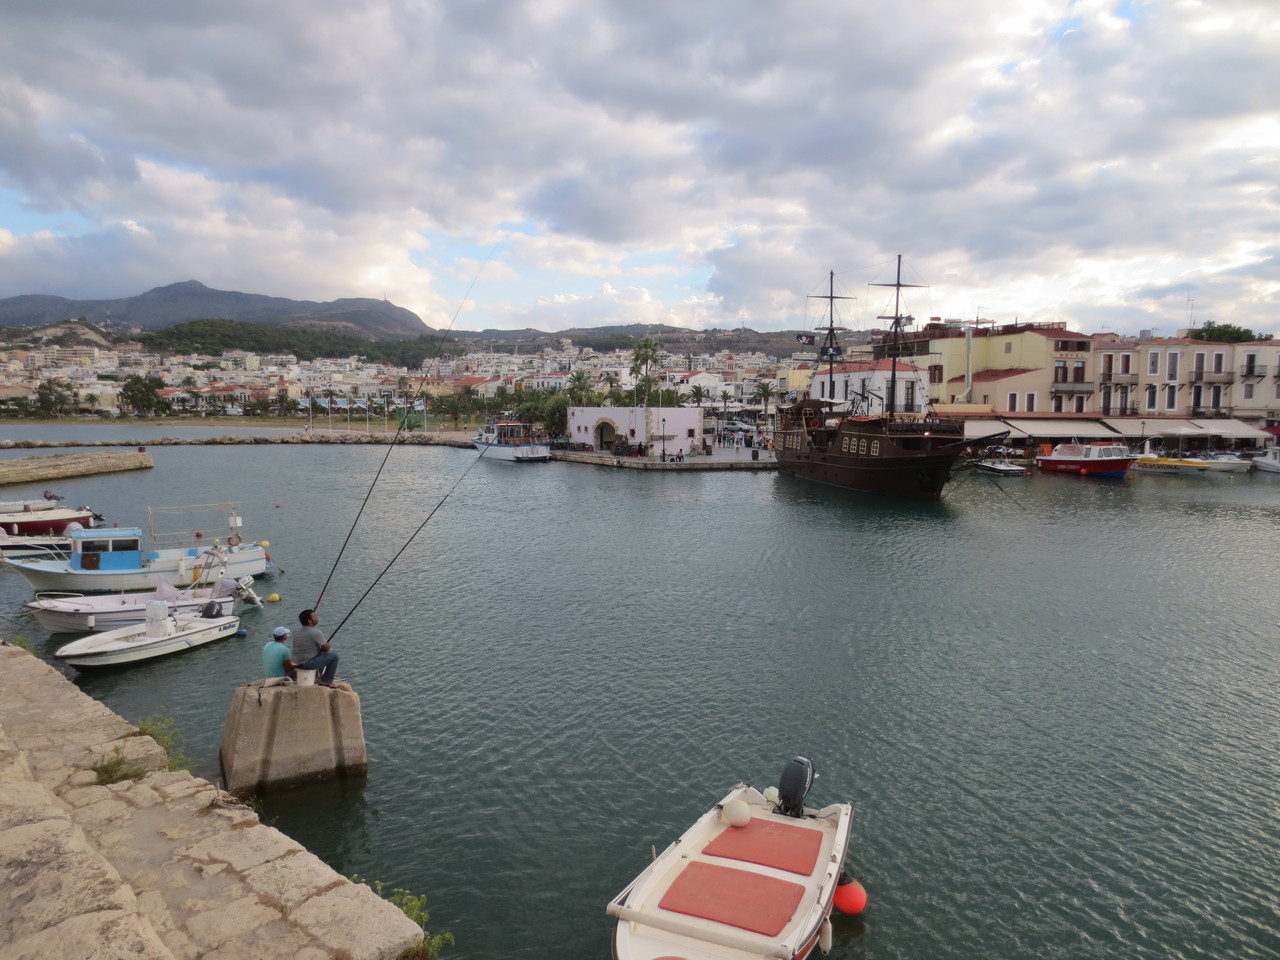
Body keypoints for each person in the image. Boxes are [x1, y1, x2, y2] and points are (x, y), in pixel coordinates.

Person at [291, 608, 339, 684]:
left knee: (322, 654)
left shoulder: (296, 630)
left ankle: (318, 677)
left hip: (295, 663)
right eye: (314, 616)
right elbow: (326, 648)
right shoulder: (316, 632)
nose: (317, 617)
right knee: (334, 656)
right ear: (309, 621)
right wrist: (328, 645)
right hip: (306, 664)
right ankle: (326, 680)